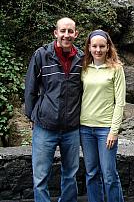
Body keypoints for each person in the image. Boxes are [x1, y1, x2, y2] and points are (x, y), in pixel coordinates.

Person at [24, 17, 84, 202]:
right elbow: (30, 89)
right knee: (40, 177)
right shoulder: (41, 55)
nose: (67, 35)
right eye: (63, 31)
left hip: (72, 128)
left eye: (70, 31)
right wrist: (33, 116)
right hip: (45, 126)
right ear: (56, 33)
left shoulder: (82, 59)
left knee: (70, 175)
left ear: (76, 34)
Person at [80, 29, 126, 202]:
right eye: (94, 46)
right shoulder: (83, 67)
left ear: (108, 47)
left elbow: (120, 102)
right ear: (89, 47)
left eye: (102, 46)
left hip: (105, 129)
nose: (98, 50)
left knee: (109, 174)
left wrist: (114, 131)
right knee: (91, 173)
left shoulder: (116, 69)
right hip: (84, 128)